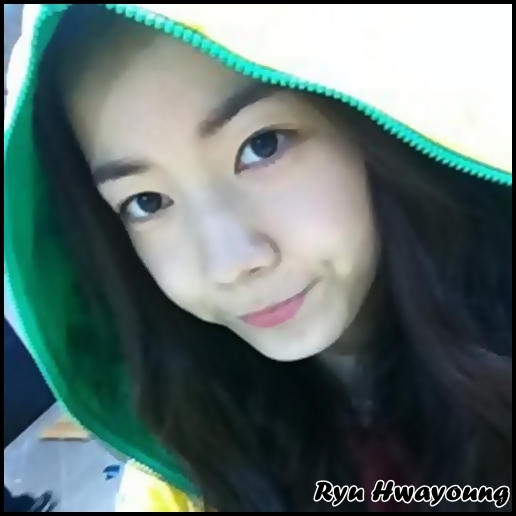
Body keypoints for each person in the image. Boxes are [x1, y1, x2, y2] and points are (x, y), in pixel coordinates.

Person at [4, 4, 511, 512]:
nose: (229, 263)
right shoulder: (183, 478)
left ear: (374, 119)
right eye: (147, 202)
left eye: (262, 146)